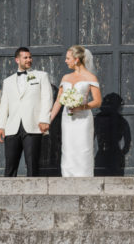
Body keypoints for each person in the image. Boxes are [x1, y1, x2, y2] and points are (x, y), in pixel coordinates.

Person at [0, 47, 53, 177]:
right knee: (10, 165)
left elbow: (47, 98)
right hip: (12, 127)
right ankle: (8, 194)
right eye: (25, 57)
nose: (29, 60)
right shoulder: (8, 81)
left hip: (33, 126)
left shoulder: (41, 76)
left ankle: (33, 194)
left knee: (32, 164)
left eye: (30, 57)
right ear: (17, 60)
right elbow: (4, 105)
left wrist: (45, 120)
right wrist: (1, 126)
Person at [50, 45, 102, 176]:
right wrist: (48, 120)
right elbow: (58, 101)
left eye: (68, 58)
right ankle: (67, 177)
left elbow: (97, 101)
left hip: (83, 118)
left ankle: (84, 177)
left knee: (83, 148)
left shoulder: (91, 78)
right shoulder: (65, 77)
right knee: (68, 148)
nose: (66, 61)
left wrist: (81, 107)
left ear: (77, 59)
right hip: (67, 118)